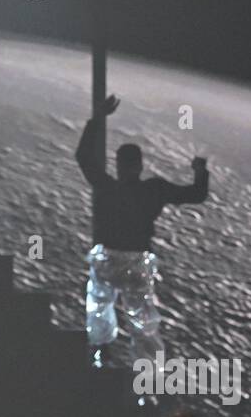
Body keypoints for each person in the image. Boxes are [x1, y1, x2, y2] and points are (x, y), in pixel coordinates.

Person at [75, 93, 210, 370]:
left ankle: (101, 354)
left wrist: (98, 118)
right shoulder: (154, 190)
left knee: (99, 307)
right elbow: (197, 195)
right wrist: (200, 170)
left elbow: (83, 156)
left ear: (119, 165)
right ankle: (148, 376)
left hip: (107, 257)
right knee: (143, 321)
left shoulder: (107, 187)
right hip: (137, 262)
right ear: (140, 166)